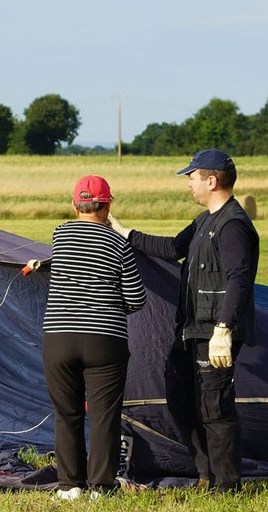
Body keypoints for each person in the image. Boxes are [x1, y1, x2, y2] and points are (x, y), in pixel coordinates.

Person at [108, 148, 259, 491]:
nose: (189, 183)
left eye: (192, 177)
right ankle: (205, 473)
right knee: (180, 400)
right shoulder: (205, 220)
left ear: (212, 179)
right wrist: (126, 233)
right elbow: (173, 247)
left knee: (215, 409)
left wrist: (224, 329)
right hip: (190, 330)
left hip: (213, 332)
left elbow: (239, 278)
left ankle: (227, 486)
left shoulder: (233, 225)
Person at [32, 175, 146, 499]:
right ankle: (101, 487)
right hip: (105, 338)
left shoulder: (60, 235)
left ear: (74, 205)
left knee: (66, 414)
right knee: (104, 417)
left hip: (59, 336)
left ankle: (69, 486)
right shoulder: (119, 243)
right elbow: (137, 298)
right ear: (108, 206)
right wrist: (109, 303)